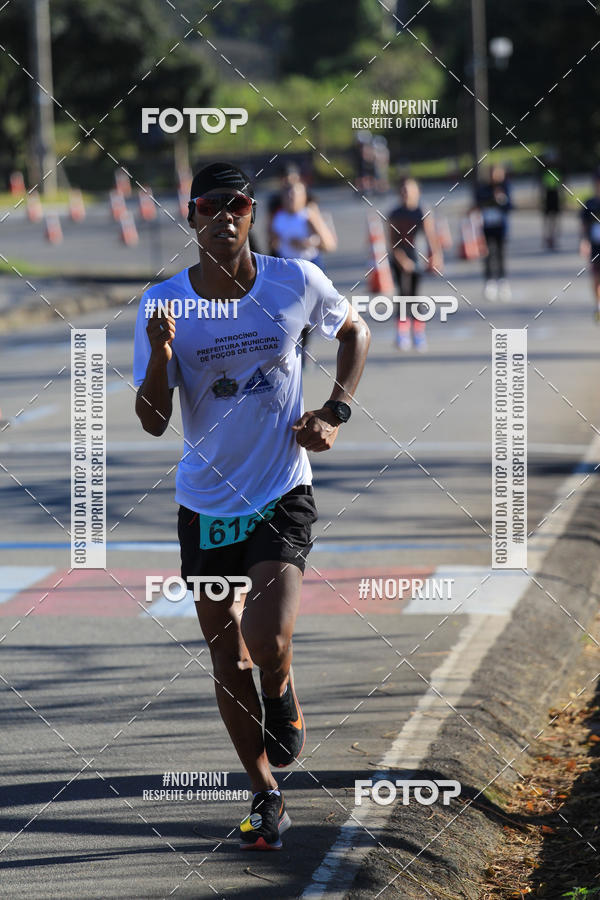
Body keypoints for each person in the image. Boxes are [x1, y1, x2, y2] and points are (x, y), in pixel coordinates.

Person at [133, 162, 370, 851]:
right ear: (191, 215)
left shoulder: (295, 281)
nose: (224, 216)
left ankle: (281, 687)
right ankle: (265, 792)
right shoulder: (164, 303)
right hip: (205, 504)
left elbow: (355, 332)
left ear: (251, 214)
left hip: (279, 490)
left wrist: (334, 411)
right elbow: (152, 421)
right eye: (210, 205)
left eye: (236, 204)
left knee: (266, 640)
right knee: (227, 657)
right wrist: (160, 357)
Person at [270, 180, 337, 361]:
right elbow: (271, 243)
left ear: (304, 197)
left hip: (310, 268)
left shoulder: (308, 216)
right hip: (287, 268)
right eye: (288, 194)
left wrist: (307, 242)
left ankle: (305, 347)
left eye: (295, 194)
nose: (291, 198)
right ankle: (291, 346)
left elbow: (329, 244)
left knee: (306, 311)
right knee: (286, 311)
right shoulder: (278, 217)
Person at [388, 177, 443, 352]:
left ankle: (419, 333)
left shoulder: (422, 211)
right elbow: (392, 241)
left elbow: (430, 235)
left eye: (410, 190)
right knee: (402, 295)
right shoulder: (395, 213)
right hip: (399, 258)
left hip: (417, 257)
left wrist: (436, 256)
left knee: (415, 295)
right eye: (403, 190)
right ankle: (402, 333)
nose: (406, 193)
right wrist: (401, 259)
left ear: (417, 192)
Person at [475, 165, 512, 301]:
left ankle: (502, 280)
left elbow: (510, 206)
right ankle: (489, 281)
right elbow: (478, 202)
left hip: (500, 227)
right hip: (487, 226)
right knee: (488, 254)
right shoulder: (483, 187)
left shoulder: (505, 187)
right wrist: (492, 198)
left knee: (501, 254)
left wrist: (501, 200)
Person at [580, 167, 600, 322]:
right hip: (595, 246)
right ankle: (598, 305)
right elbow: (584, 226)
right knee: (596, 278)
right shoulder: (590, 203)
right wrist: (584, 242)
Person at [540, 153, 562, 251]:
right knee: (547, 219)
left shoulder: (557, 170)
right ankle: (546, 237)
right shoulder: (545, 171)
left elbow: (561, 184)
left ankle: (553, 237)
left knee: (554, 219)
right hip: (547, 196)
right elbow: (542, 185)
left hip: (555, 195)